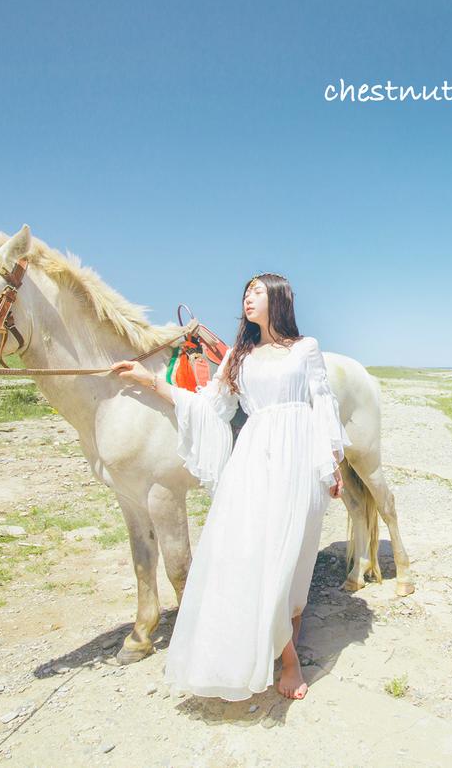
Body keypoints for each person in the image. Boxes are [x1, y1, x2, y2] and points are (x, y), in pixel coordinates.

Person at [110, 272, 350, 701]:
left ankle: (286, 631)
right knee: (257, 552)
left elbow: (323, 404)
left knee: (294, 553)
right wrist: (149, 381)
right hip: (255, 459)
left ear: (279, 298)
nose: (248, 298)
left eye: (257, 291)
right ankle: (289, 661)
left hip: (298, 459)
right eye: (245, 292)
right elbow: (208, 407)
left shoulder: (305, 348)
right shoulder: (240, 356)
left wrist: (333, 464)